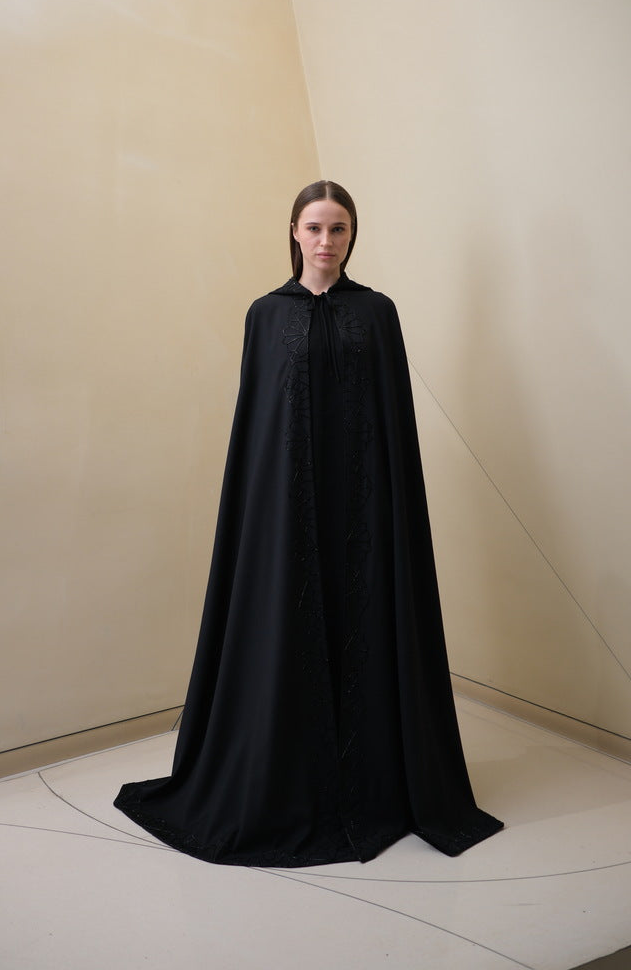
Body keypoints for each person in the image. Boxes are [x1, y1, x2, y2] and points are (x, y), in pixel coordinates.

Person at [114, 180, 503, 867]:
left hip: (363, 508)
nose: (326, 240)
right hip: (287, 507)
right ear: (293, 231)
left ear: (353, 236)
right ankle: (284, 781)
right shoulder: (265, 315)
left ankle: (376, 783)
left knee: (363, 626)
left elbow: (393, 425)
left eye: (338, 228)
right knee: (287, 627)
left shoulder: (377, 313)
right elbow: (257, 430)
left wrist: (386, 508)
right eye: (314, 227)